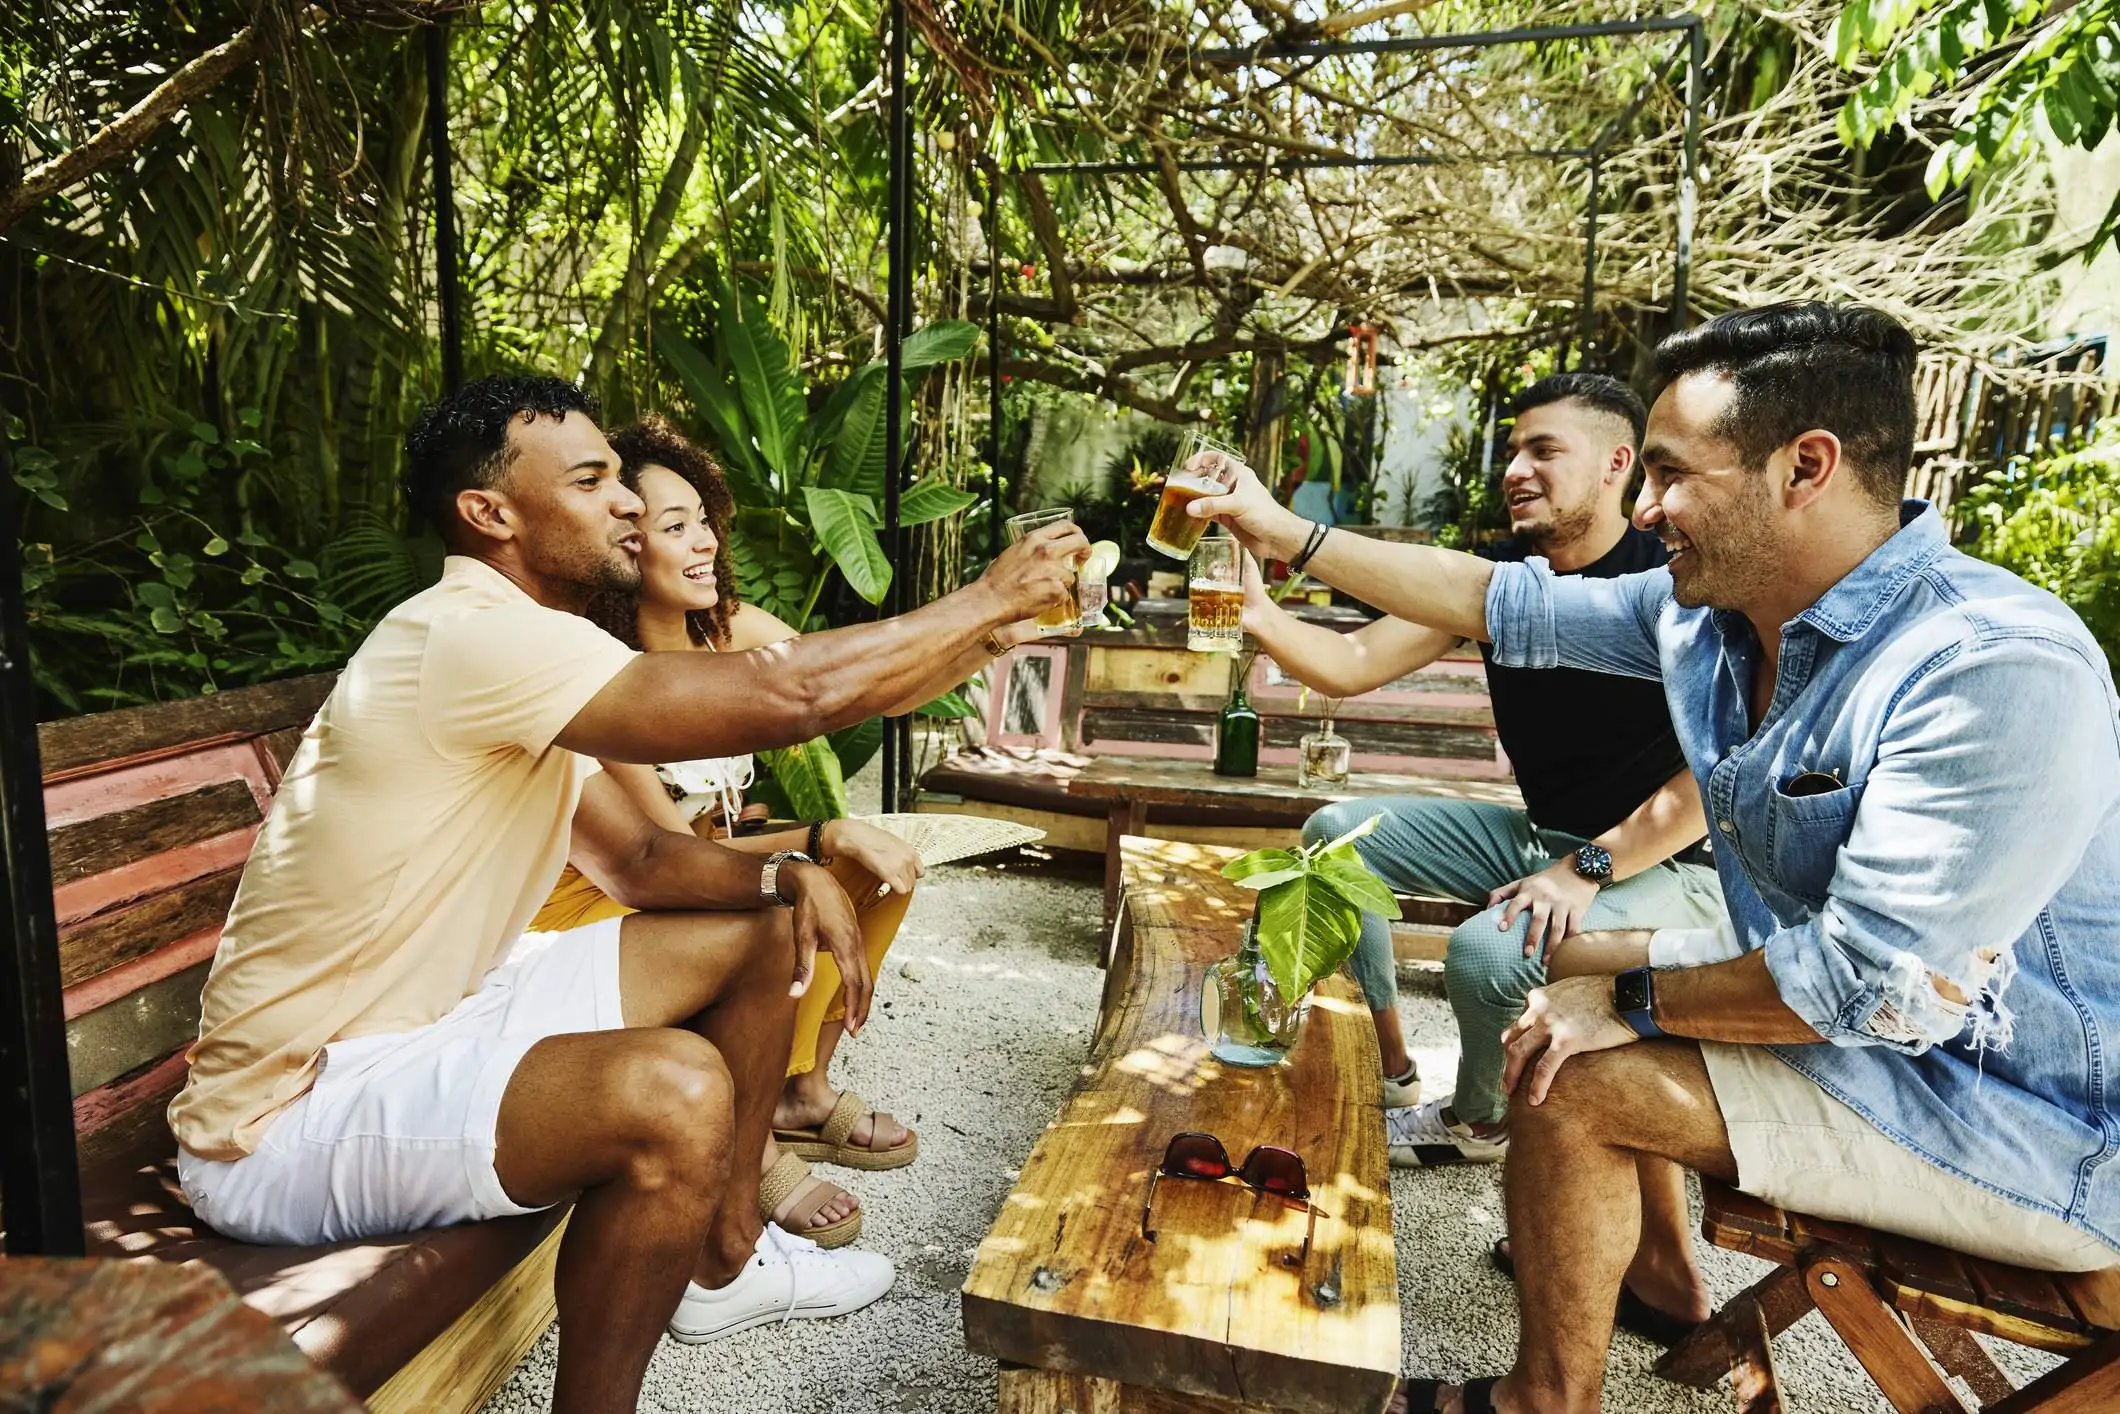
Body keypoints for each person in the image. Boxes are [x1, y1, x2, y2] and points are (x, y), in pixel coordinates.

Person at [1188, 304, 2120, 1414]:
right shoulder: (1715, 615)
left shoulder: (1986, 664)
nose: (1643, 507)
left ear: (1802, 468)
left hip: (2025, 1124)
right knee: (1562, 991)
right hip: (1874, 1044)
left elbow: (1865, 986)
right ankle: (1648, 1287)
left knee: (1573, 1066)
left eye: (1670, 474)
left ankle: (1543, 1396)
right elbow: (1498, 602)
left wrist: (1630, 992)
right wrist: (1279, 531)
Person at [167, 374, 1083, 1414]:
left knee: (760, 927)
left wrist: (787, 868)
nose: (630, 505)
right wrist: (989, 596)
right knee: (675, 1091)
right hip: (288, 1112)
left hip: (431, 1025)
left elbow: (641, 863)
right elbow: (790, 692)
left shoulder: (521, 647)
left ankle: (725, 1244)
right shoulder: (466, 632)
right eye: (595, 480)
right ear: (490, 514)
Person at [532, 413, 994, 1247]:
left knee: (880, 867)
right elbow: (666, 855)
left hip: (682, 872)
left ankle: (800, 1090)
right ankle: (753, 1138)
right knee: (790, 893)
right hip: (598, 901)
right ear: (626, 547)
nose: (703, 542)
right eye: (676, 529)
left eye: (703, 518)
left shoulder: (722, 629)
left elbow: (876, 687)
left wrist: (993, 631)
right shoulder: (605, 676)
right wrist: (817, 837)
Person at [1247, 375, 1723, 1176]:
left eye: (1544, 450)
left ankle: (1477, 1124)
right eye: (1512, 451)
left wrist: (1584, 872)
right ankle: (1391, 1067)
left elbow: (1714, 782)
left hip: (1668, 863)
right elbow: (1351, 661)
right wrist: (1257, 611)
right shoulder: (1500, 582)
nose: (1516, 469)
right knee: (1332, 842)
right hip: (1546, 841)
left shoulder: (1674, 586)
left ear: (1616, 463)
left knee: (1483, 956)